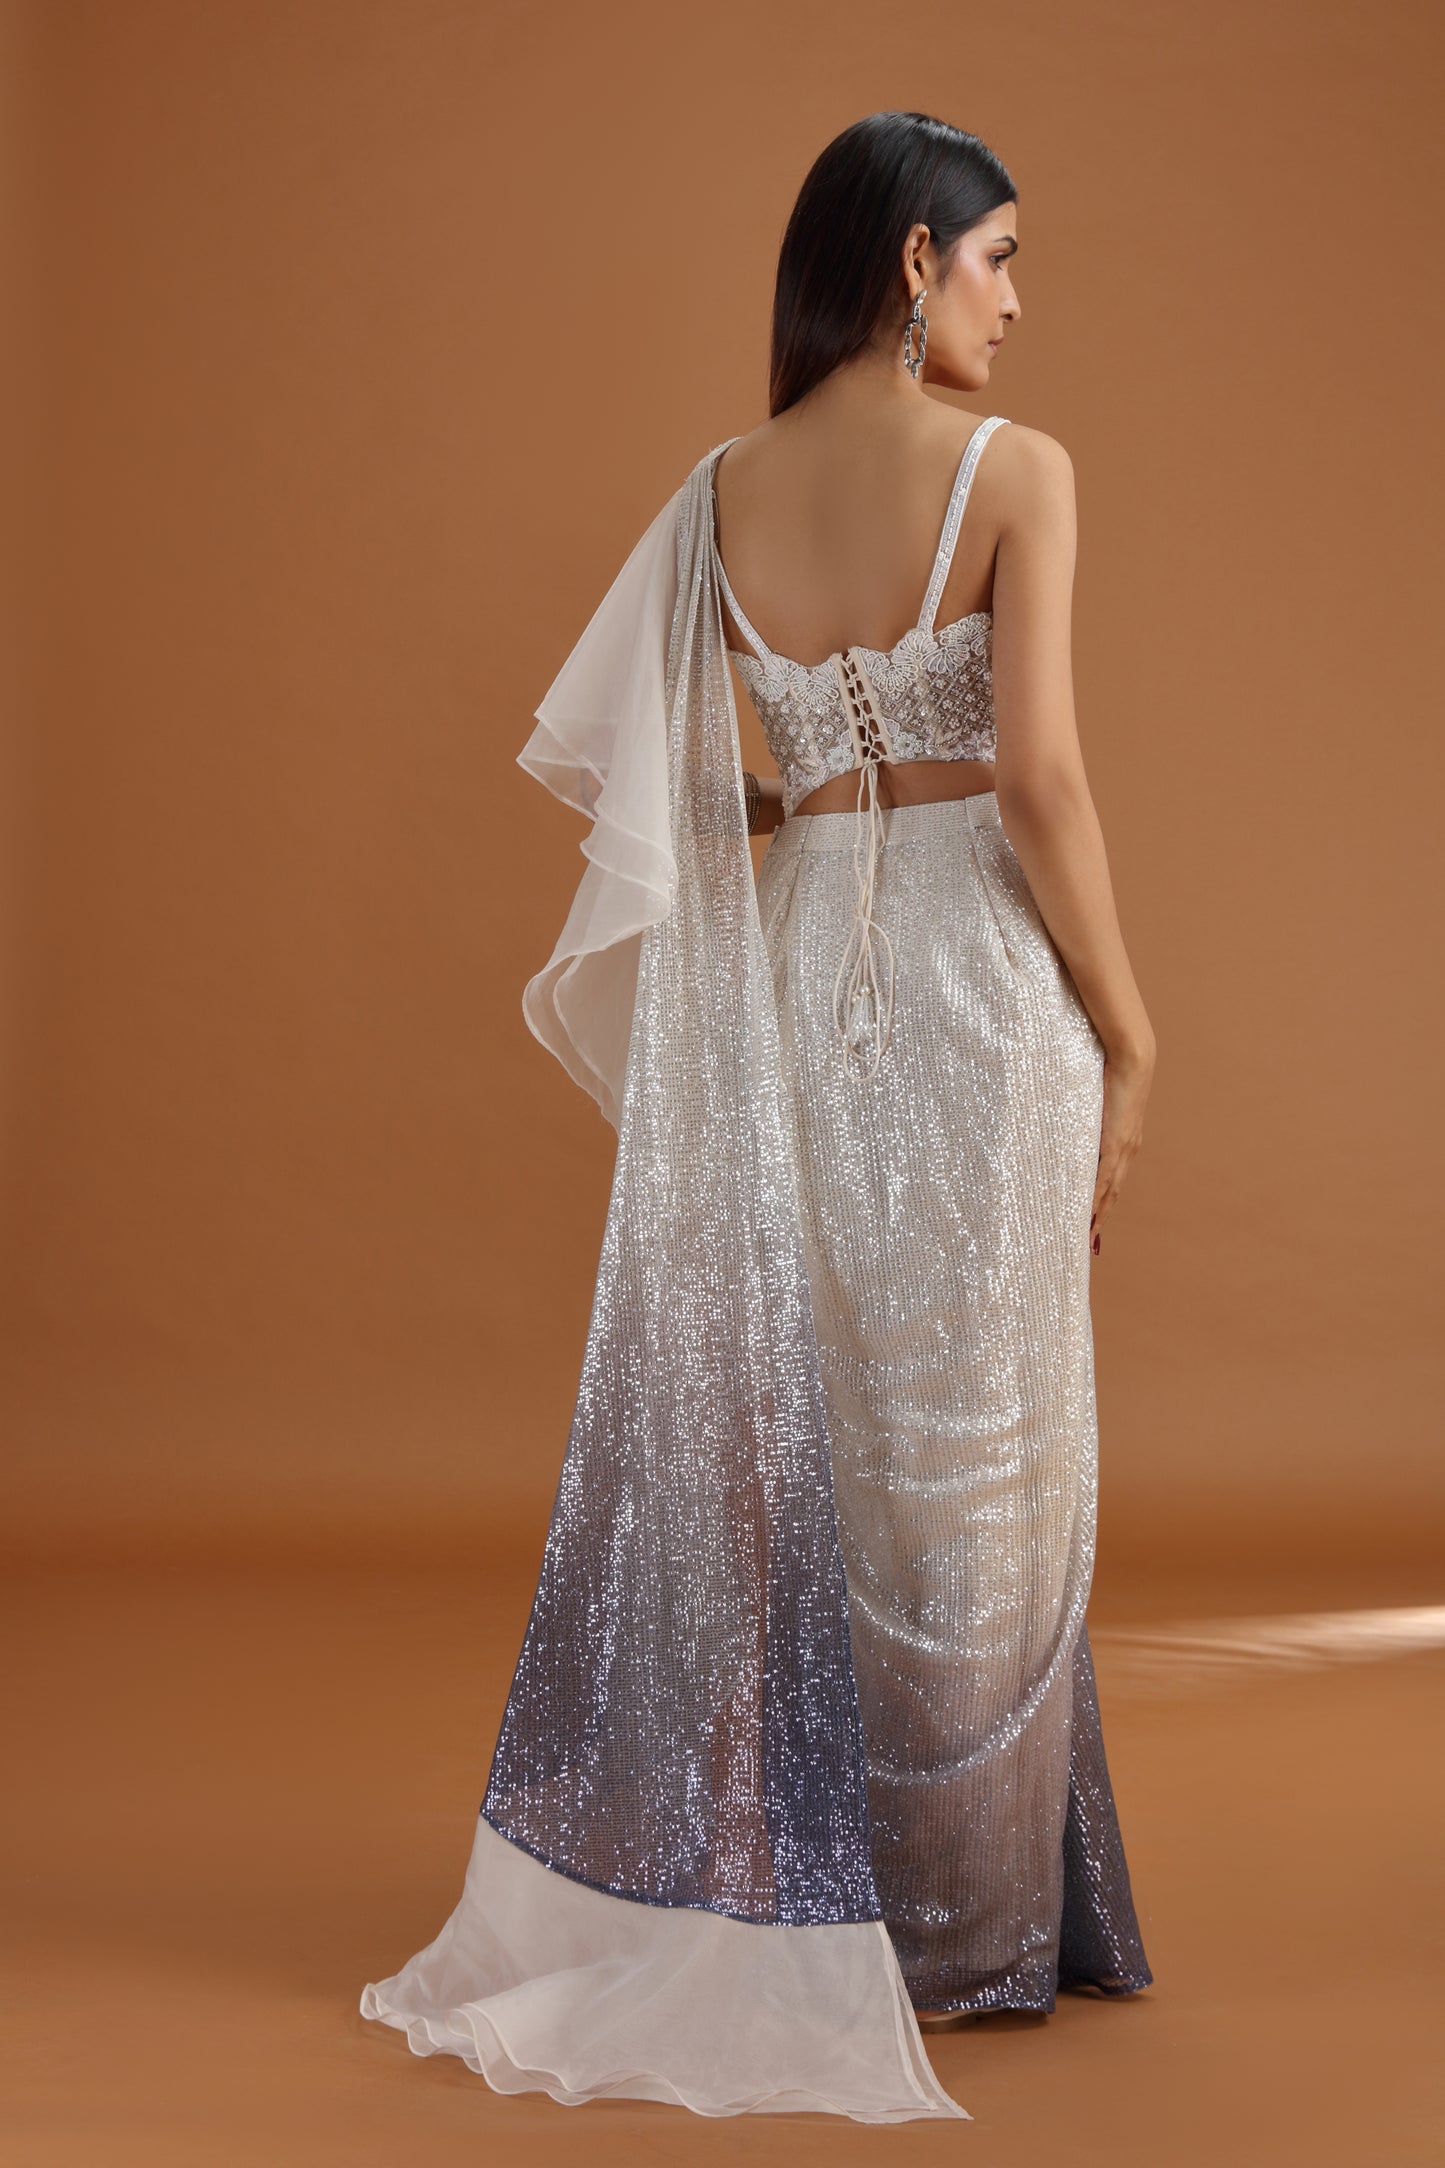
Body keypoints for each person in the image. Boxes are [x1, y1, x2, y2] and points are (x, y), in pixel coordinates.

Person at [359, 110, 1155, 2125]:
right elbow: (1041, 783)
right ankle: (971, 1936)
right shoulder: (1022, 470)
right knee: (989, 1443)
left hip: (804, 972)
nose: (1014, 298)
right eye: (996, 260)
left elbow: (741, 808)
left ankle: (832, 1898)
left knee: (837, 1436)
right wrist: (1133, 1033)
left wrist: (810, 854)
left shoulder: (717, 493)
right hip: (980, 982)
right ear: (910, 263)